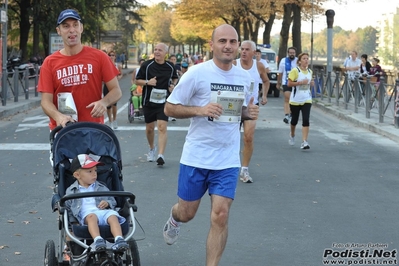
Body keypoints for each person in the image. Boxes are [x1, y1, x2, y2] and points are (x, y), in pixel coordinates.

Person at [163, 24, 259, 266]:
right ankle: (174, 219)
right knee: (187, 213)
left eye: (232, 42)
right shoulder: (196, 74)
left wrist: (248, 112)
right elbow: (169, 107)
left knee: (221, 215)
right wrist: (200, 110)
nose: (228, 46)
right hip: (196, 156)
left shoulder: (244, 78)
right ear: (212, 44)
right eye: (222, 41)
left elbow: (237, 111)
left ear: (238, 46)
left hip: (226, 158)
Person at [38, 9, 122, 130]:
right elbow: (45, 102)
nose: (72, 30)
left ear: (81, 28)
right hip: (63, 130)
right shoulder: (49, 62)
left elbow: (116, 90)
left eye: (75, 25)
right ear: (59, 31)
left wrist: (104, 102)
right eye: (66, 26)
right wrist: (59, 116)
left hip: (93, 129)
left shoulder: (99, 57)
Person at [65, 154, 129, 251]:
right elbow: (68, 207)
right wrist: (72, 222)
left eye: (95, 170)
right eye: (89, 171)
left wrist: (107, 203)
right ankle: (98, 240)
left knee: (113, 217)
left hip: (103, 212)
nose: (94, 174)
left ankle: (119, 239)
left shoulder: (101, 187)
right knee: (92, 217)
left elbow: (112, 200)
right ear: (77, 175)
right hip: (87, 215)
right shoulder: (71, 191)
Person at [135, 43, 178, 166]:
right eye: (155, 50)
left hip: (163, 102)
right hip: (148, 101)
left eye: (160, 50)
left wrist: (173, 85)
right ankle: (152, 148)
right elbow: (137, 80)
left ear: (165, 53)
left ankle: (160, 155)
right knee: (149, 128)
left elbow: (174, 78)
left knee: (162, 126)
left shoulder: (170, 66)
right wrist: (148, 82)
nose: (157, 52)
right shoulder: (147, 65)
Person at [234, 40, 269, 183]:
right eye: (242, 49)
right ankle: (229, 166)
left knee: (248, 137)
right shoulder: (234, 64)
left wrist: (264, 95)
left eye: (247, 49)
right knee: (231, 137)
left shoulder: (258, 66)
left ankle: (244, 169)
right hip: (235, 105)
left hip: (252, 106)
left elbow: (266, 81)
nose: (243, 51)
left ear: (254, 53)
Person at [287, 52, 314, 150]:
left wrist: (311, 83)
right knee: (294, 120)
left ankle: (304, 141)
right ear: (299, 61)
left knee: (306, 119)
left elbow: (309, 83)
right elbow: (289, 84)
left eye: (307, 58)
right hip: (295, 100)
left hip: (307, 99)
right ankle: (292, 134)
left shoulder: (310, 72)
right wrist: (300, 83)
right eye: (304, 58)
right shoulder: (295, 71)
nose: (306, 60)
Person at [277, 47, 298, 124]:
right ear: (288, 53)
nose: (292, 54)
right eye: (290, 53)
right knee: (287, 98)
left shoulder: (298, 61)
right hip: (286, 82)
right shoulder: (283, 61)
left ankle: (292, 114)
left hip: (296, 83)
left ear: (295, 53)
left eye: (293, 53)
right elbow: (280, 73)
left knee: (294, 100)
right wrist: (278, 83)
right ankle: (286, 115)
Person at [103, 51, 123, 129]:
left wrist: (118, 78)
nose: (111, 56)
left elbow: (121, 73)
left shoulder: (118, 65)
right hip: (106, 86)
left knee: (114, 105)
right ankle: (110, 121)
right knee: (108, 105)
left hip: (114, 86)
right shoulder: (105, 65)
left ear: (115, 57)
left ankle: (114, 120)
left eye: (113, 55)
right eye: (110, 55)